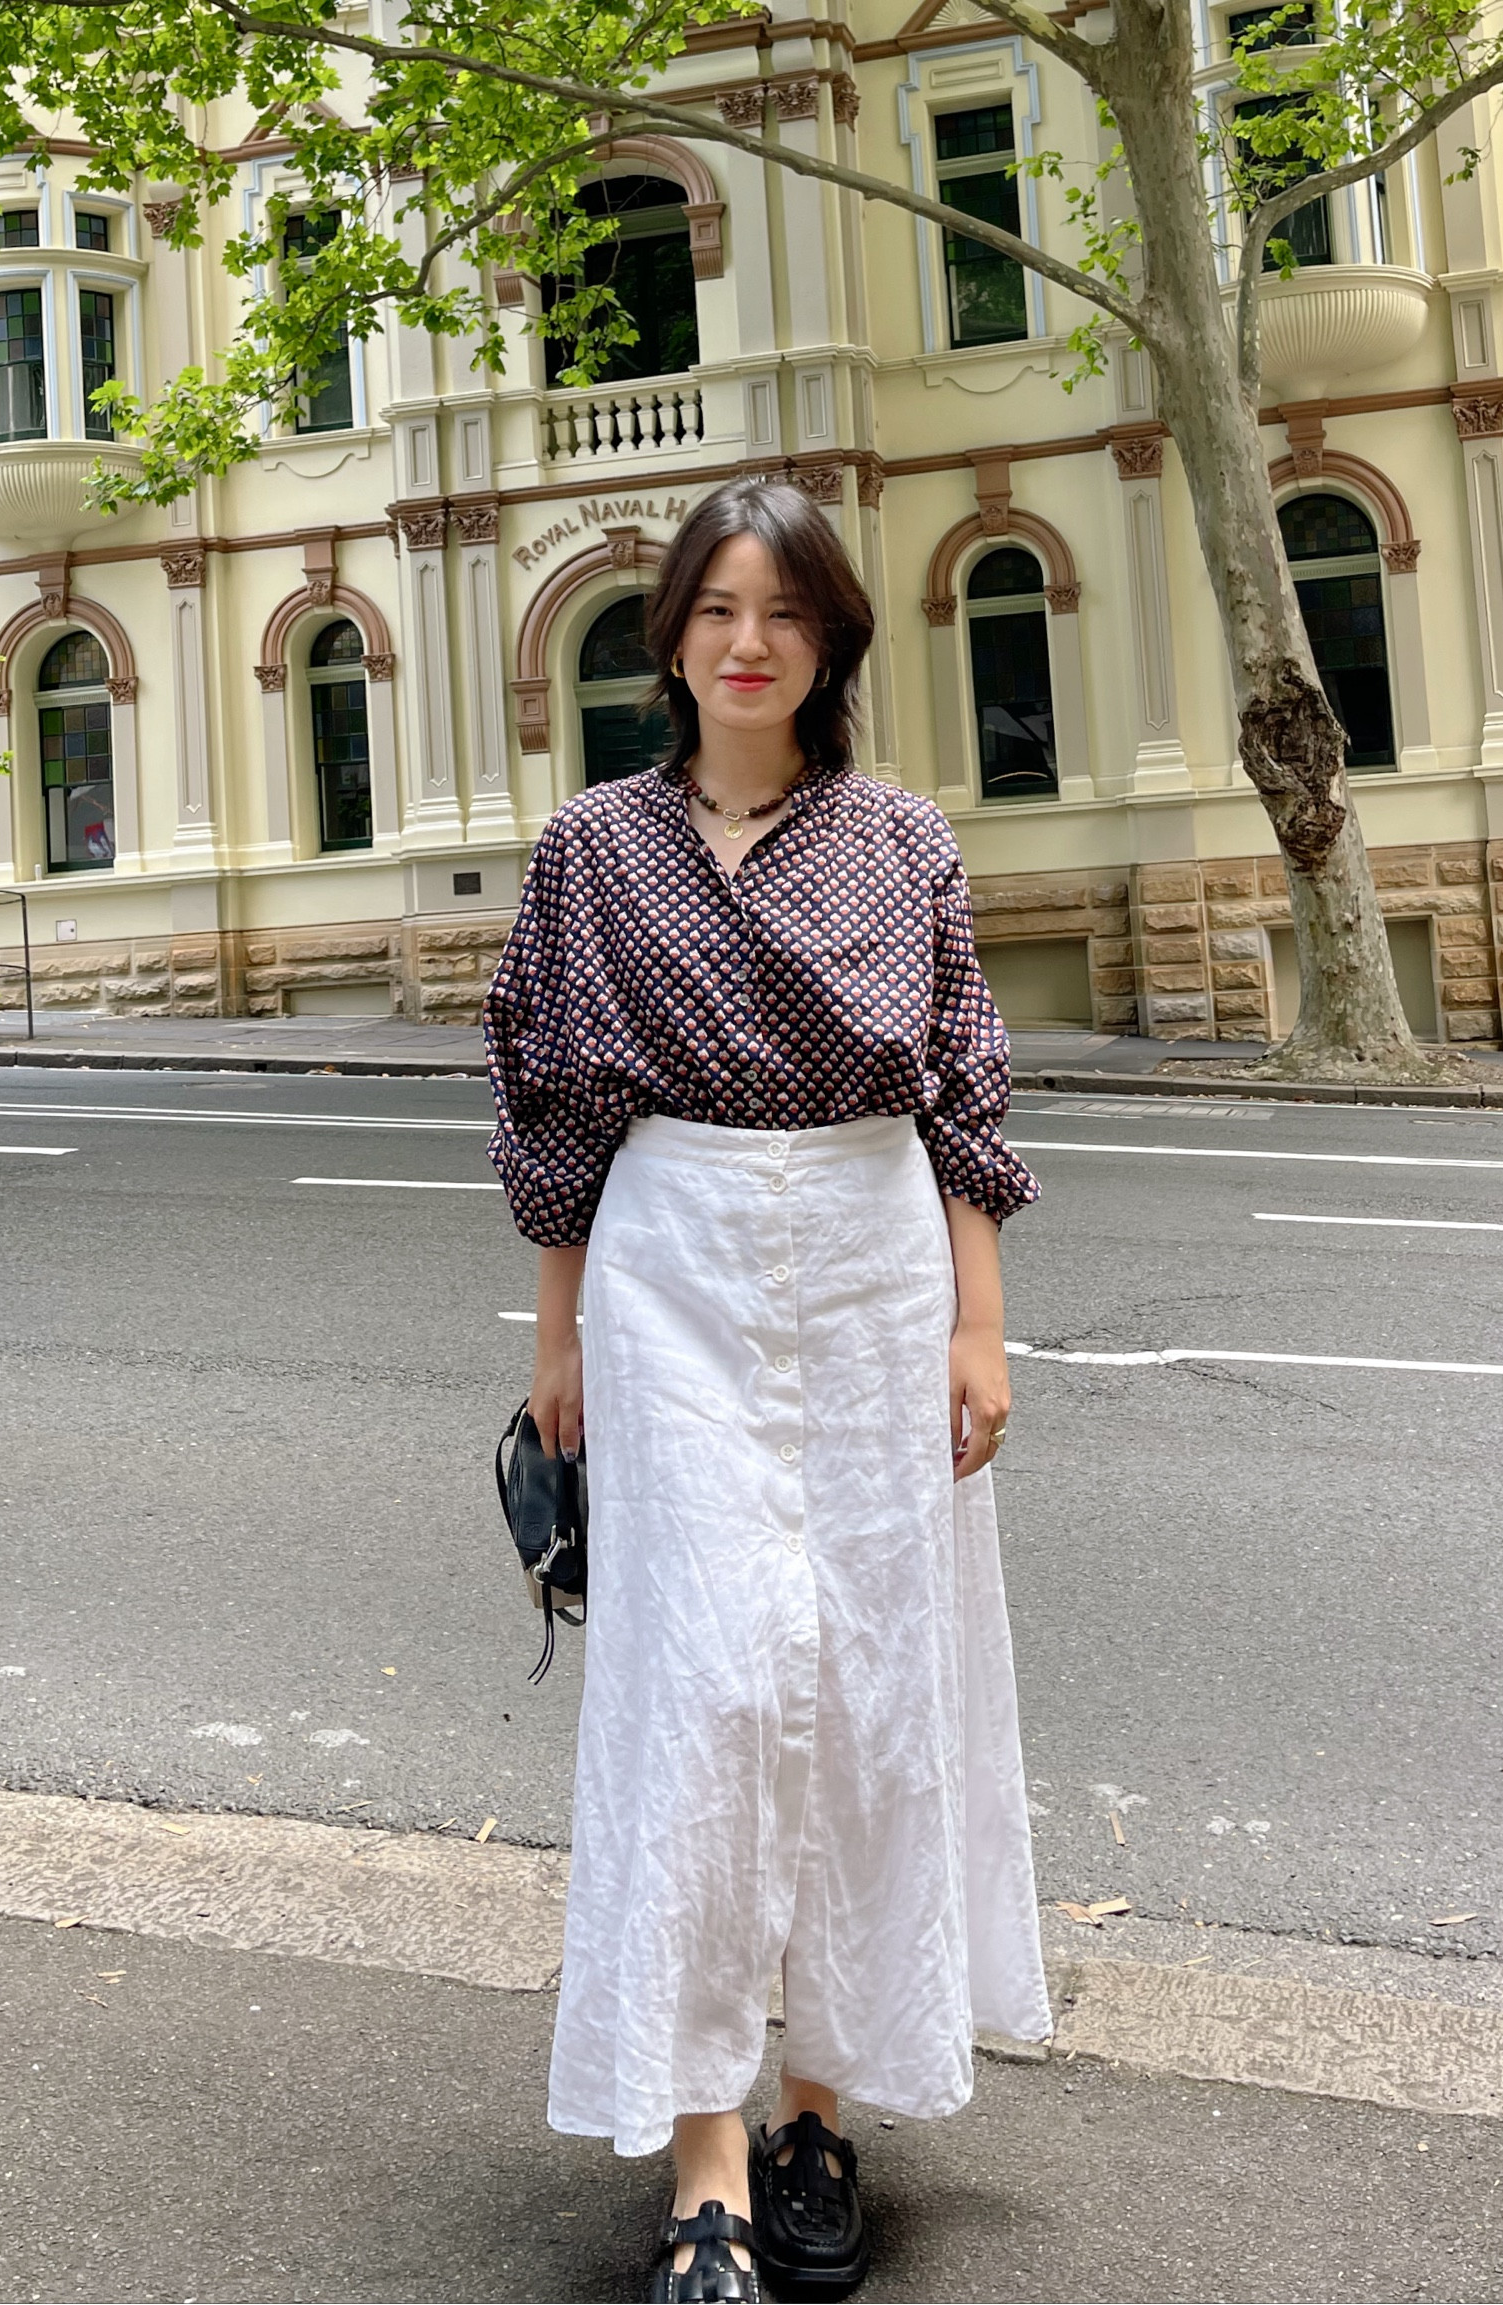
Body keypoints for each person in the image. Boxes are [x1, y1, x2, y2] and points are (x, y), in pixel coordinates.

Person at [484, 479, 1050, 2304]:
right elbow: (553, 1108)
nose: (750, 642)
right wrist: (559, 1337)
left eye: (785, 612)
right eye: (718, 608)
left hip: (878, 1267)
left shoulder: (901, 840)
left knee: (867, 1683)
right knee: (703, 1692)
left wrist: (979, 1322)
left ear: (831, 642)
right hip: (673, 1275)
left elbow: (960, 1086)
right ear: (669, 636)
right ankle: (705, 2151)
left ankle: (821, 2108)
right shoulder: (591, 848)